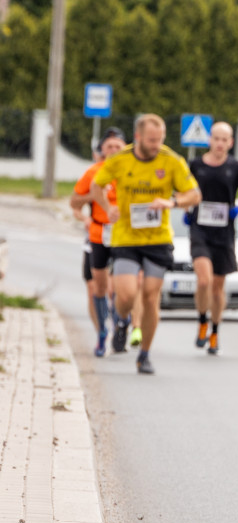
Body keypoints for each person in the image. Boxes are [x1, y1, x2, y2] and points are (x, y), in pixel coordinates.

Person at [90, 113, 201, 374]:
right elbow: (96, 186)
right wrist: (108, 207)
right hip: (126, 237)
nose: (156, 145)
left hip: (157, 238)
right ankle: (121, 322)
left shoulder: (171, 161)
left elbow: (195, 194)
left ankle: (145, 354)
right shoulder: (120, 160)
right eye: (151, 140)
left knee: (151, 296)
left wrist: (172, 203)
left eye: (160, 139)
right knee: (126, 294)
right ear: (138, 136)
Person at [185, 121, 238, 355]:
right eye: (216, 138)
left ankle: (215, 330)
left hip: (224, 232)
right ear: (209, 140)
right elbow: (181, 190)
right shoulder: (195, 165)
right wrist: (186, 209)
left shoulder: (236, 167)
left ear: (231, 143)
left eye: (224, 140)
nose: (219, 143)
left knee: (217, 288)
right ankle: (202, 320)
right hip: (200, 229)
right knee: (203, 281)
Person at [70, 127, 126, 357]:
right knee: (99, 286)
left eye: (118, 146)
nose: (113, 150)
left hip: (124, 236)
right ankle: (103, 330)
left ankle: (122, 321)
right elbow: (74, 201)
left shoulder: (130, 172)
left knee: (123, 285)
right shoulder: (94, 172)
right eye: (109, 146)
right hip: (98, 235)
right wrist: (92, 199)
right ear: (102, 149)